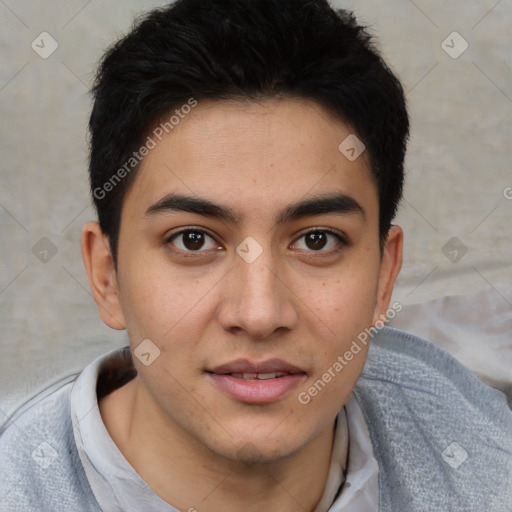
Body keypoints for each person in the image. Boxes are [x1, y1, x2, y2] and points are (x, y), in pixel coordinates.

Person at [1, 0, 511, 510]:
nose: (259, 313)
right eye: (193, 240)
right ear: (107, 275)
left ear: (384, 276)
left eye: (317, 240)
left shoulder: (484, 456)